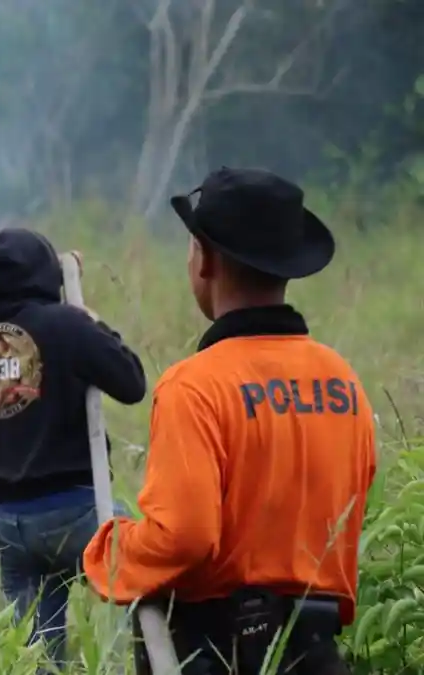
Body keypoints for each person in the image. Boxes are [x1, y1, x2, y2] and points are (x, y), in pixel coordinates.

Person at [82, 167, 377, 675]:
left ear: (205, 259)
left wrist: (115, 548)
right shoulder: (342, 381)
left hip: (219, 654)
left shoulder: (193, 386)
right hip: (318, 654)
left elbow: (185, 536)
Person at [0, 227, 147, 669]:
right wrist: (89, 320)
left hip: (3, 519)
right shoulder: (65, 324)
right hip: (73, 509)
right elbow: (131, 382)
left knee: (36, 656)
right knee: (147, 584)